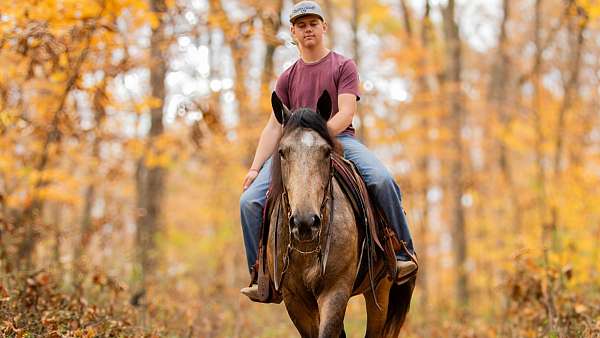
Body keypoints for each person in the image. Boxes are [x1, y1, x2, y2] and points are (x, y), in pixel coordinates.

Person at [239, 0, 417, 301]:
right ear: (293, 32)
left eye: (313, 23)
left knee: (382, 179)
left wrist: (318, 138)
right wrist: (255, 168)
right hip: (294, 148)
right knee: (249, 202)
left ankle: (401, 252)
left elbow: (346, 112)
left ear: (324, 27)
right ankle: (262, 273)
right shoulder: (287, 76)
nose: (308, 29)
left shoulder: (343, 65)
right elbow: (273, 127)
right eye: (301, 25)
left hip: (338, 140)